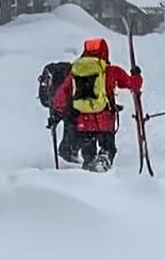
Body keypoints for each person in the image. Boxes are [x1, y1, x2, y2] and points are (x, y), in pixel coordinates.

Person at [51, 37, 143, 172]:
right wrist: (136, 75)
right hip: (104, 119)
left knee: (88, 148)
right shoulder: (111, 70)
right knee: (108, 147)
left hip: (83, 121)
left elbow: (60, 97)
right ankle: (103, 161)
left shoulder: (75, 71)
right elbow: (133, 84)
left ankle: (88, 166)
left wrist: (59, 111)